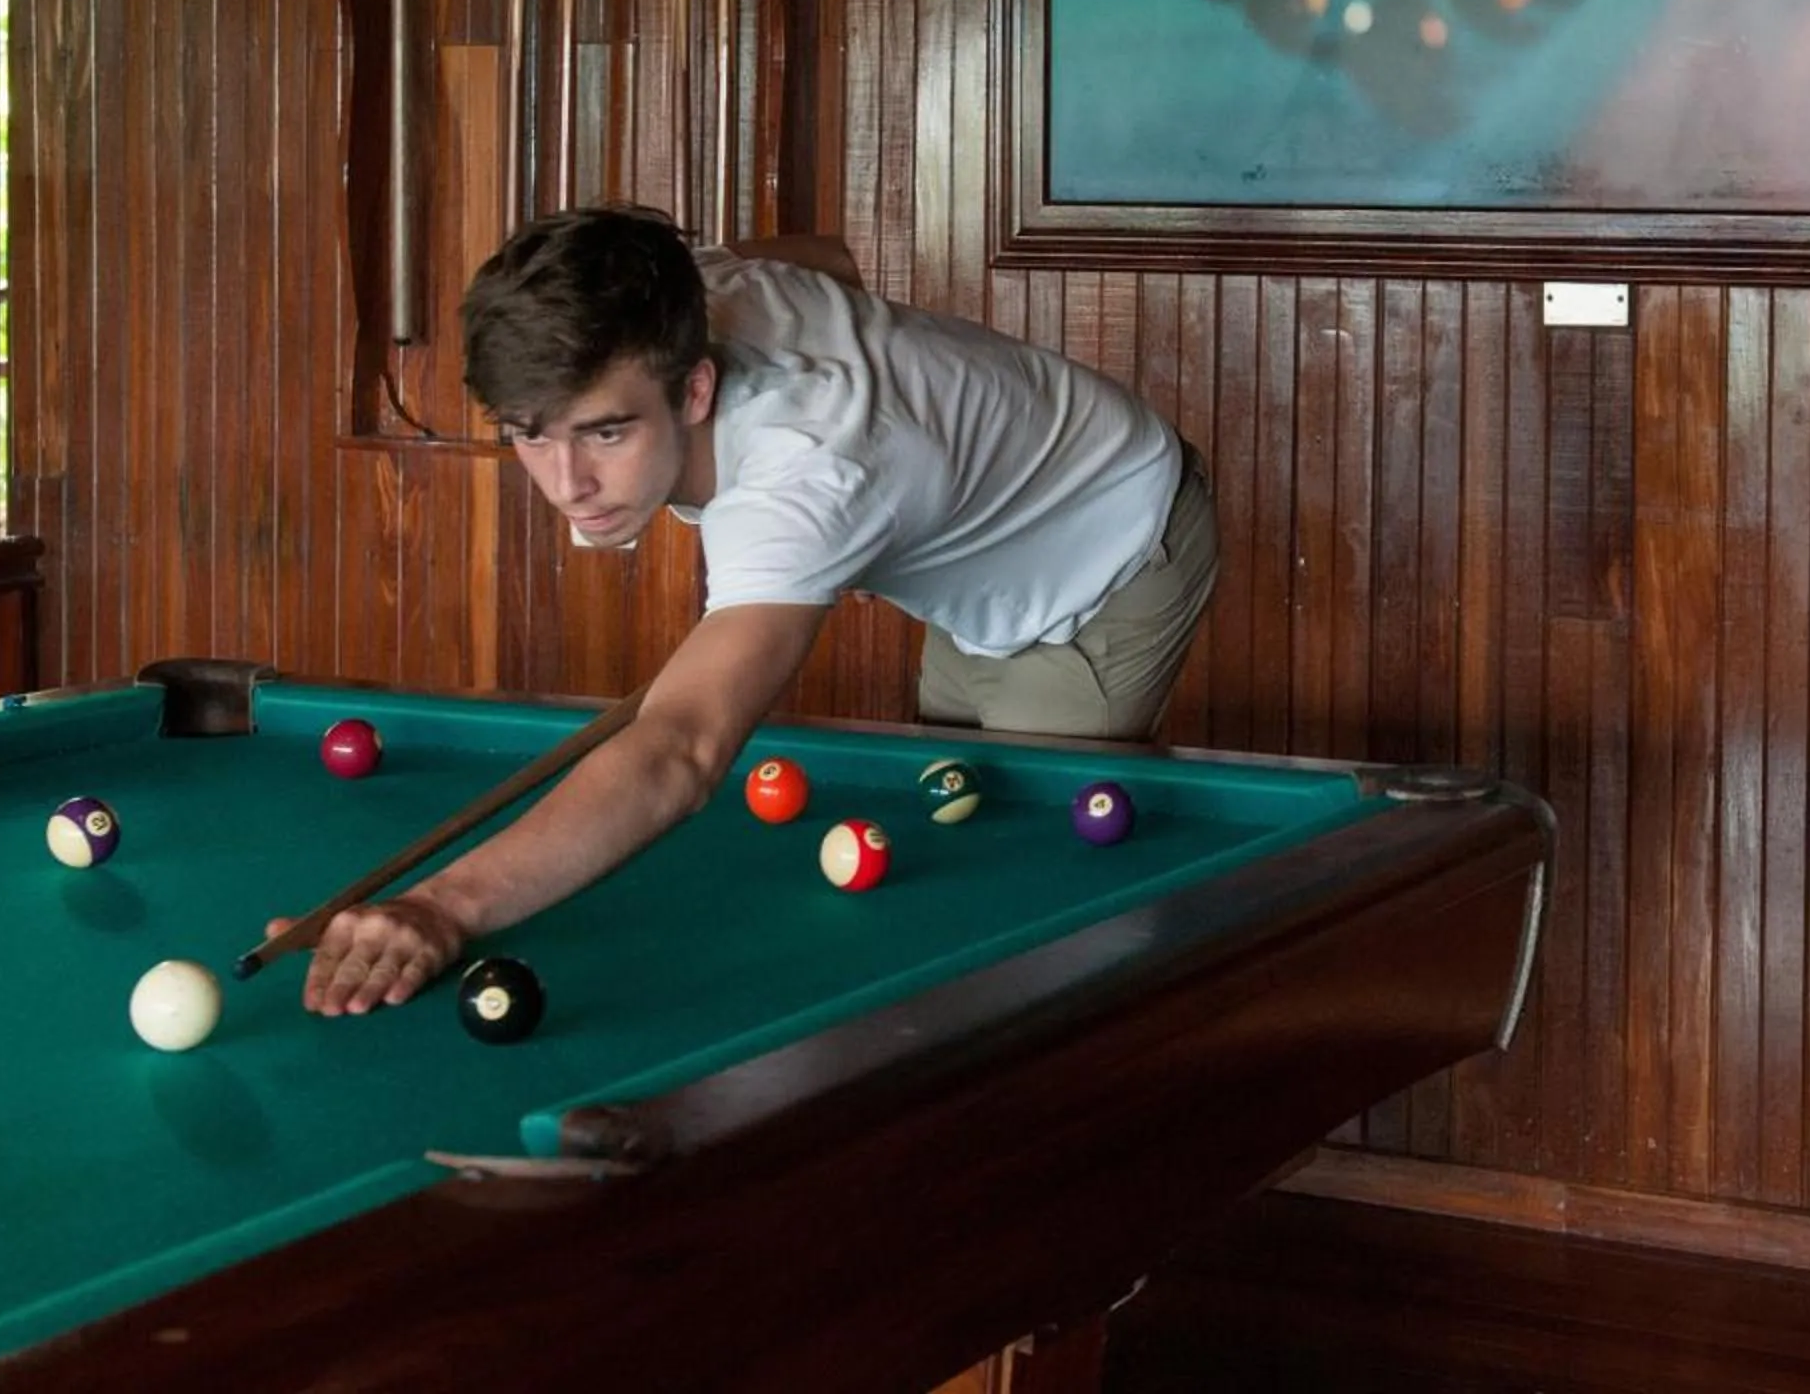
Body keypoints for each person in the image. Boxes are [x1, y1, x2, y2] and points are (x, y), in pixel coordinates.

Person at [275, 205, 1221, 1017]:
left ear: (696, 386)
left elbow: (683, 751)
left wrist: (445, 907)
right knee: (957, 816)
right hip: (975, 546)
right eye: (532, 436)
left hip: (1104, 544)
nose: (568, 483)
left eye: (607, 431)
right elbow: (827, 260)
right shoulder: (677, 289)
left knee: (1029, 881)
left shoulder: (806, 478)